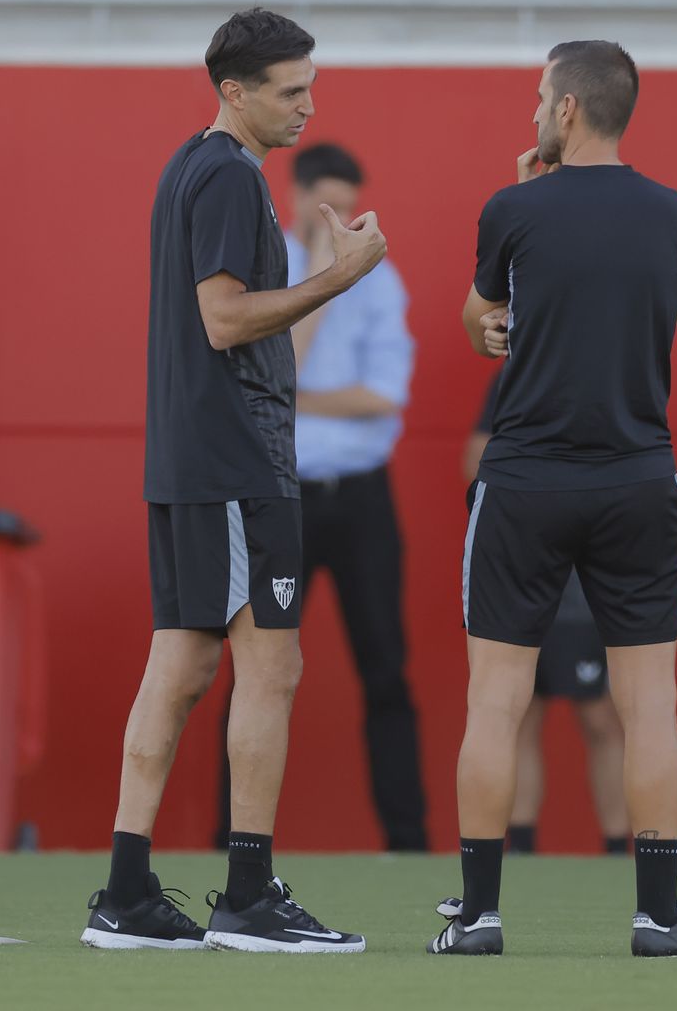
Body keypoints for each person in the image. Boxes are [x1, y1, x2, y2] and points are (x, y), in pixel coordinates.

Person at [80, 8, 386, 954]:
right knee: (271, 668)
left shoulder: (192, 166)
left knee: (180, 666)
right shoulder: (226, 177)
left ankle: (126, 893)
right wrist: (341, 277)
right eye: (290, 91)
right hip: (236, 467)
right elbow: (223, 320)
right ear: (234, 91)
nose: (307, 106)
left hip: (194, 464)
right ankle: (248, 896)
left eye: (310, 86)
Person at [428, 40, 677, 959]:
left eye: (537, 99)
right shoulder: (675, 214)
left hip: (524, 481)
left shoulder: (512, 206)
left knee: (495, 702)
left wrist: (524, 196)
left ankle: (478, 916)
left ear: (566, 110)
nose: (531, 112)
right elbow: (635, 317)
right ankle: (658, 918)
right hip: (638, 477)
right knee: (650, 708)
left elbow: (480, 319)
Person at [214, 142, 427, 853]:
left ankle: (408, 841)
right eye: (324, 201)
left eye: (349, 204)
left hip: (363, 498)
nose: (337, 217)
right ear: (297, 196)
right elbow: (272, 367)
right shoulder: (263, 263)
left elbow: (383, 397)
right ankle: (231, 839)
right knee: (254, 667)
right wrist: (321, 282)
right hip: (282, 494)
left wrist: (300, 393)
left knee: (387, 670)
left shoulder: (381, 278)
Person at [466, 372, 629, 857]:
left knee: (600, 714)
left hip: (587, 576)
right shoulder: (515, 373)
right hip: (525, 559)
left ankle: (620, 850)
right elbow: (474, 459)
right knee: (520, 711)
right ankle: (519, 847)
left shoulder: (611, 370)